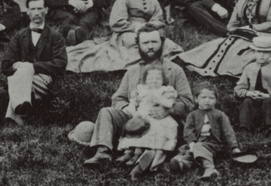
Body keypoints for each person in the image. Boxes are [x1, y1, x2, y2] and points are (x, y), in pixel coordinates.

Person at [79, 25, 195, 166]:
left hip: (162, 120)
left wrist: (169, 109)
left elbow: (188, 101)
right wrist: (130, 110)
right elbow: (118, 98)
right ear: (138, 46)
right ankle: (102, 153)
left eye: (154, 42)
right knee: (106, 112)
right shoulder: (132, 71)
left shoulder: (175, 70)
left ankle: (148, 154)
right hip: (134, 117)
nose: (150, 46)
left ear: (162, 43)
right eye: (145, 43)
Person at [2, 0, 67, 125]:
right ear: (27, 11)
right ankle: (22, 110)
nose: (36, 13)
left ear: (46, 10)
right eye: (33, 9)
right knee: (22, 73)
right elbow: (5, 65)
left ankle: (13, 116)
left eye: (40, 8)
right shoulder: (19, 37)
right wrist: (17, 66)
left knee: (22, 73)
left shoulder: (55, 37)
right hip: (24, 80)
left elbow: (60, 64)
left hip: (45, 82)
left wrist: (32, 67)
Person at [170, 85, 242, 180]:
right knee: (187, 151)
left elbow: (228, 131)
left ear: (216, 100)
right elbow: (188, 130)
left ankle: (210, 168)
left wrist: (234, 147)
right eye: (203, 97)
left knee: (198, 147)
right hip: (196, 142)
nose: (207, 100)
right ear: (196, 99)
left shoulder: (220, 115)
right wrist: (191, 142)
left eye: (211, 98)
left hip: (213, 144)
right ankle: (183, 164)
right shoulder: (192, 115)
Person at [116, 78, 180, 178]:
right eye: (151, 78)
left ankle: (142, 165)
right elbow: (133, 102)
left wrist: (162, 103)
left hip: (161, 115)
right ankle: (133, 154)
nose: (154, 80)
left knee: (160, 137)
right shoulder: (142, 90)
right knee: (139, 129)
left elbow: (170, 103)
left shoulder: (166, 90)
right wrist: (134, 110)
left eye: (157, 78)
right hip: (145, 115)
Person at [234, 35, 271, 133]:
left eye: (266, 52)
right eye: (259, 52)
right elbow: (239, 88)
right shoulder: (249, 68)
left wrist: (268, 95)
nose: (262, 55)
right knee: (246, 102)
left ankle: (270, 128)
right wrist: (248, 93)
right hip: (252, 97)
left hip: (269, 97)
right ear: (254, 52)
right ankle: (244, 128)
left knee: (269, 102)